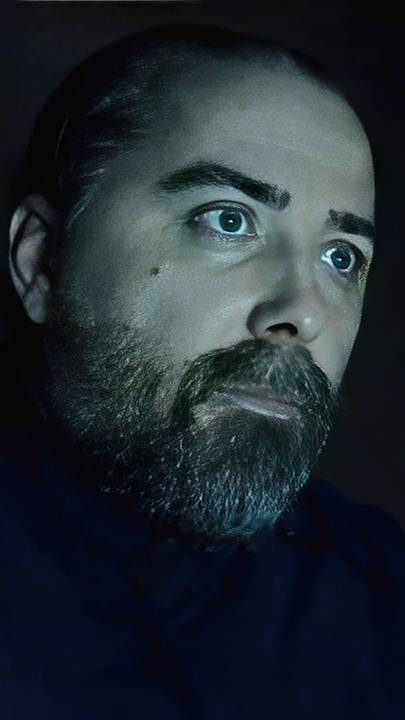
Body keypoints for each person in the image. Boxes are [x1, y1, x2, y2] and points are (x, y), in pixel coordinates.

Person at [2, 23, 404, 719]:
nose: (303, 312)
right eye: (227, 220)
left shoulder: (381, 596)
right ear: (41, 262)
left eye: (341, 256)